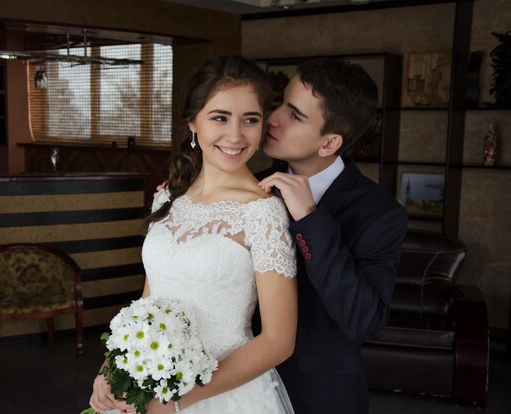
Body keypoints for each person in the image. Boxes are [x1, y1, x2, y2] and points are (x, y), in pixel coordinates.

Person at [89, 55, 298, 414]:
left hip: (223, 397)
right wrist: (111, 368)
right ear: (192, 122)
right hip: (143, 387)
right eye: (220, 117)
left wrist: (173, 402)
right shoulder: (168, 196)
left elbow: (279, 341)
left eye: (250, 120)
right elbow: (150, 298)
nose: (235, 135)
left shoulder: (263, 213)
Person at [256, 58, 409, 414]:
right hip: (238, 384)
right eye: (280, 103)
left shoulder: (380, 213)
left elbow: (365, 318)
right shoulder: (252, 187)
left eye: (294, 115)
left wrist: (309, 219)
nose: (272, 118)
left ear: (329, 143)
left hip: (320, 396)